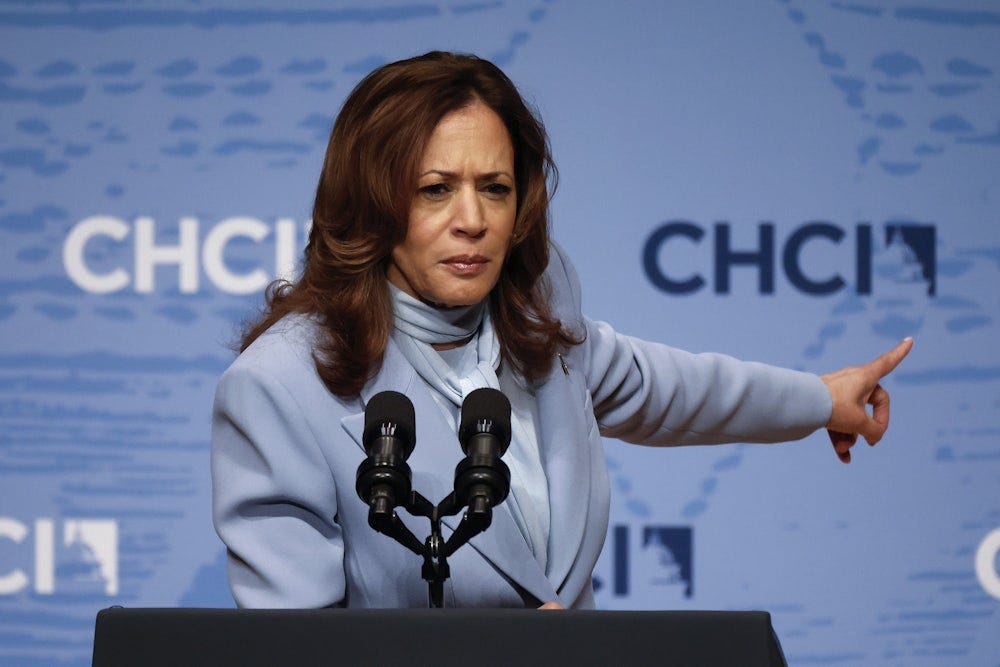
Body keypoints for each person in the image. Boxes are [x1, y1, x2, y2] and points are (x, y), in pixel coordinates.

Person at [211, 51, 912, 610]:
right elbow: (294, 653)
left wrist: (824, 397)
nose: (473, 219)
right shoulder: (279, 388)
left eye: (495, 186)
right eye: (434, 189)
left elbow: (671, 388)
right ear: (370, 201)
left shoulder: (536, 313)